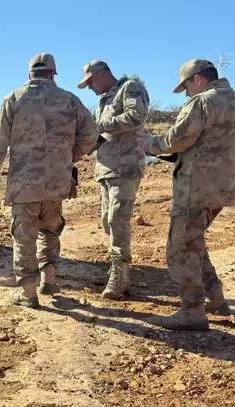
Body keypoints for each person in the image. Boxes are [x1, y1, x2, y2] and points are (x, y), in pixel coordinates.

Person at [0, 53, 98, 308]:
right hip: (58, 182)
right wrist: (69, 156)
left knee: (24, 237)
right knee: (51, 229)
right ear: (53, 74)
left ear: (29, 74)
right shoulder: (70, 100)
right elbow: (91, 134)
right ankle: (50, 279)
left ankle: (27, 293)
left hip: (25, 184)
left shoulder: (13, 99)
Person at [143, 59, 235, 330]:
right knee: (194, 239)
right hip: (221, 188)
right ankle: (216, 298)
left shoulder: (202, 102)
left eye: (186, 87)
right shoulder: (234, 100)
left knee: (182, 247)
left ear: (197, 80)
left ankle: (192, 312)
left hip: (195, 188)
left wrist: (148, 143)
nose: (186, 93)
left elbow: (176, 140)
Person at [78, 61, 150, 299]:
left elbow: (136, 116)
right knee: (107, 222)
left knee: (117, 220)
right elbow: (102, 136)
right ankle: (118, 271)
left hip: (125, 167)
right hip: (107, 169)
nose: (89, 87)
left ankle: (119, 276)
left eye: (90, 82)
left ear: (101, 75)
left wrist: (99, 125)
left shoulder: (129, 88)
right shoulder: (103, 101)